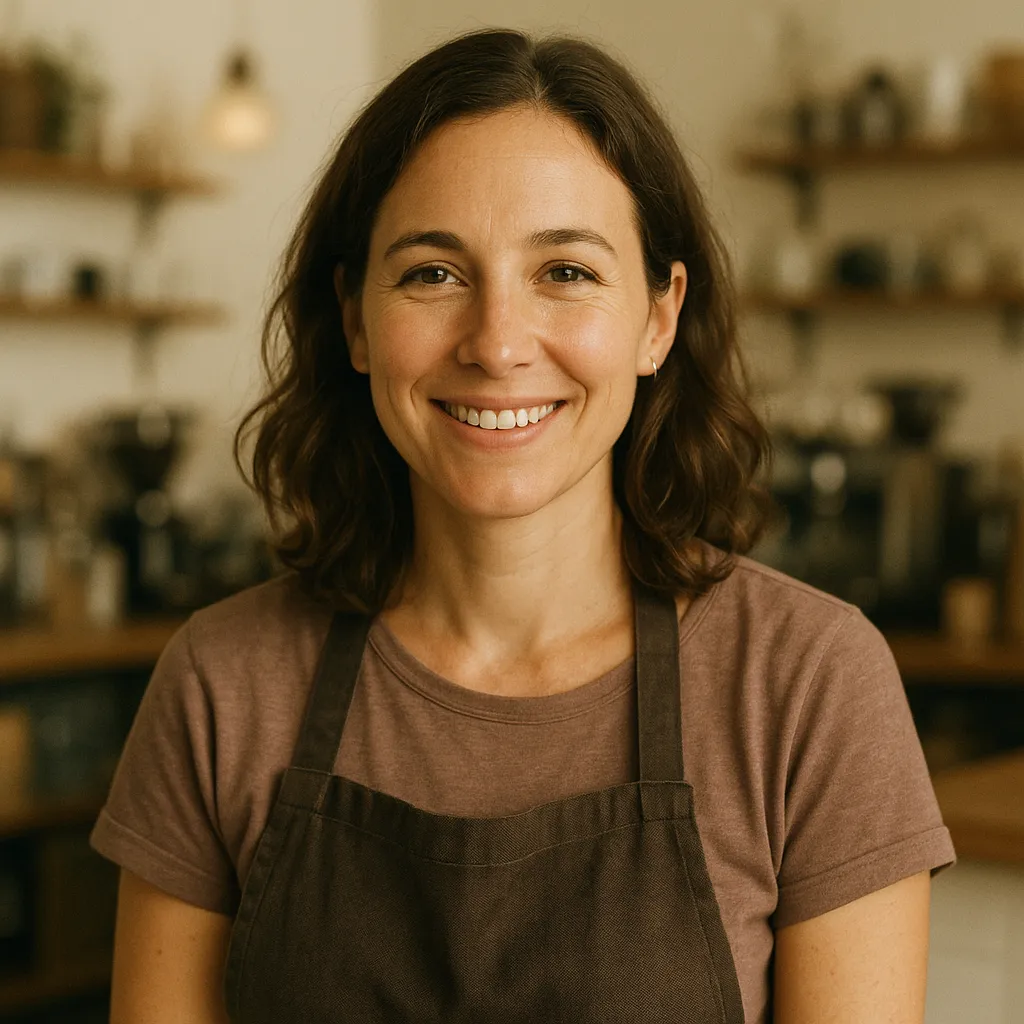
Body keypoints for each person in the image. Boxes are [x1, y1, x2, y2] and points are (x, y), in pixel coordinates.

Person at [91, 26, 955, 1024]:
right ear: (357, 318)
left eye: (567, 272)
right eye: (431, 272)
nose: (498, 343)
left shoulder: (807, 684)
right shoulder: (222, 686)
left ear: (658, 317)